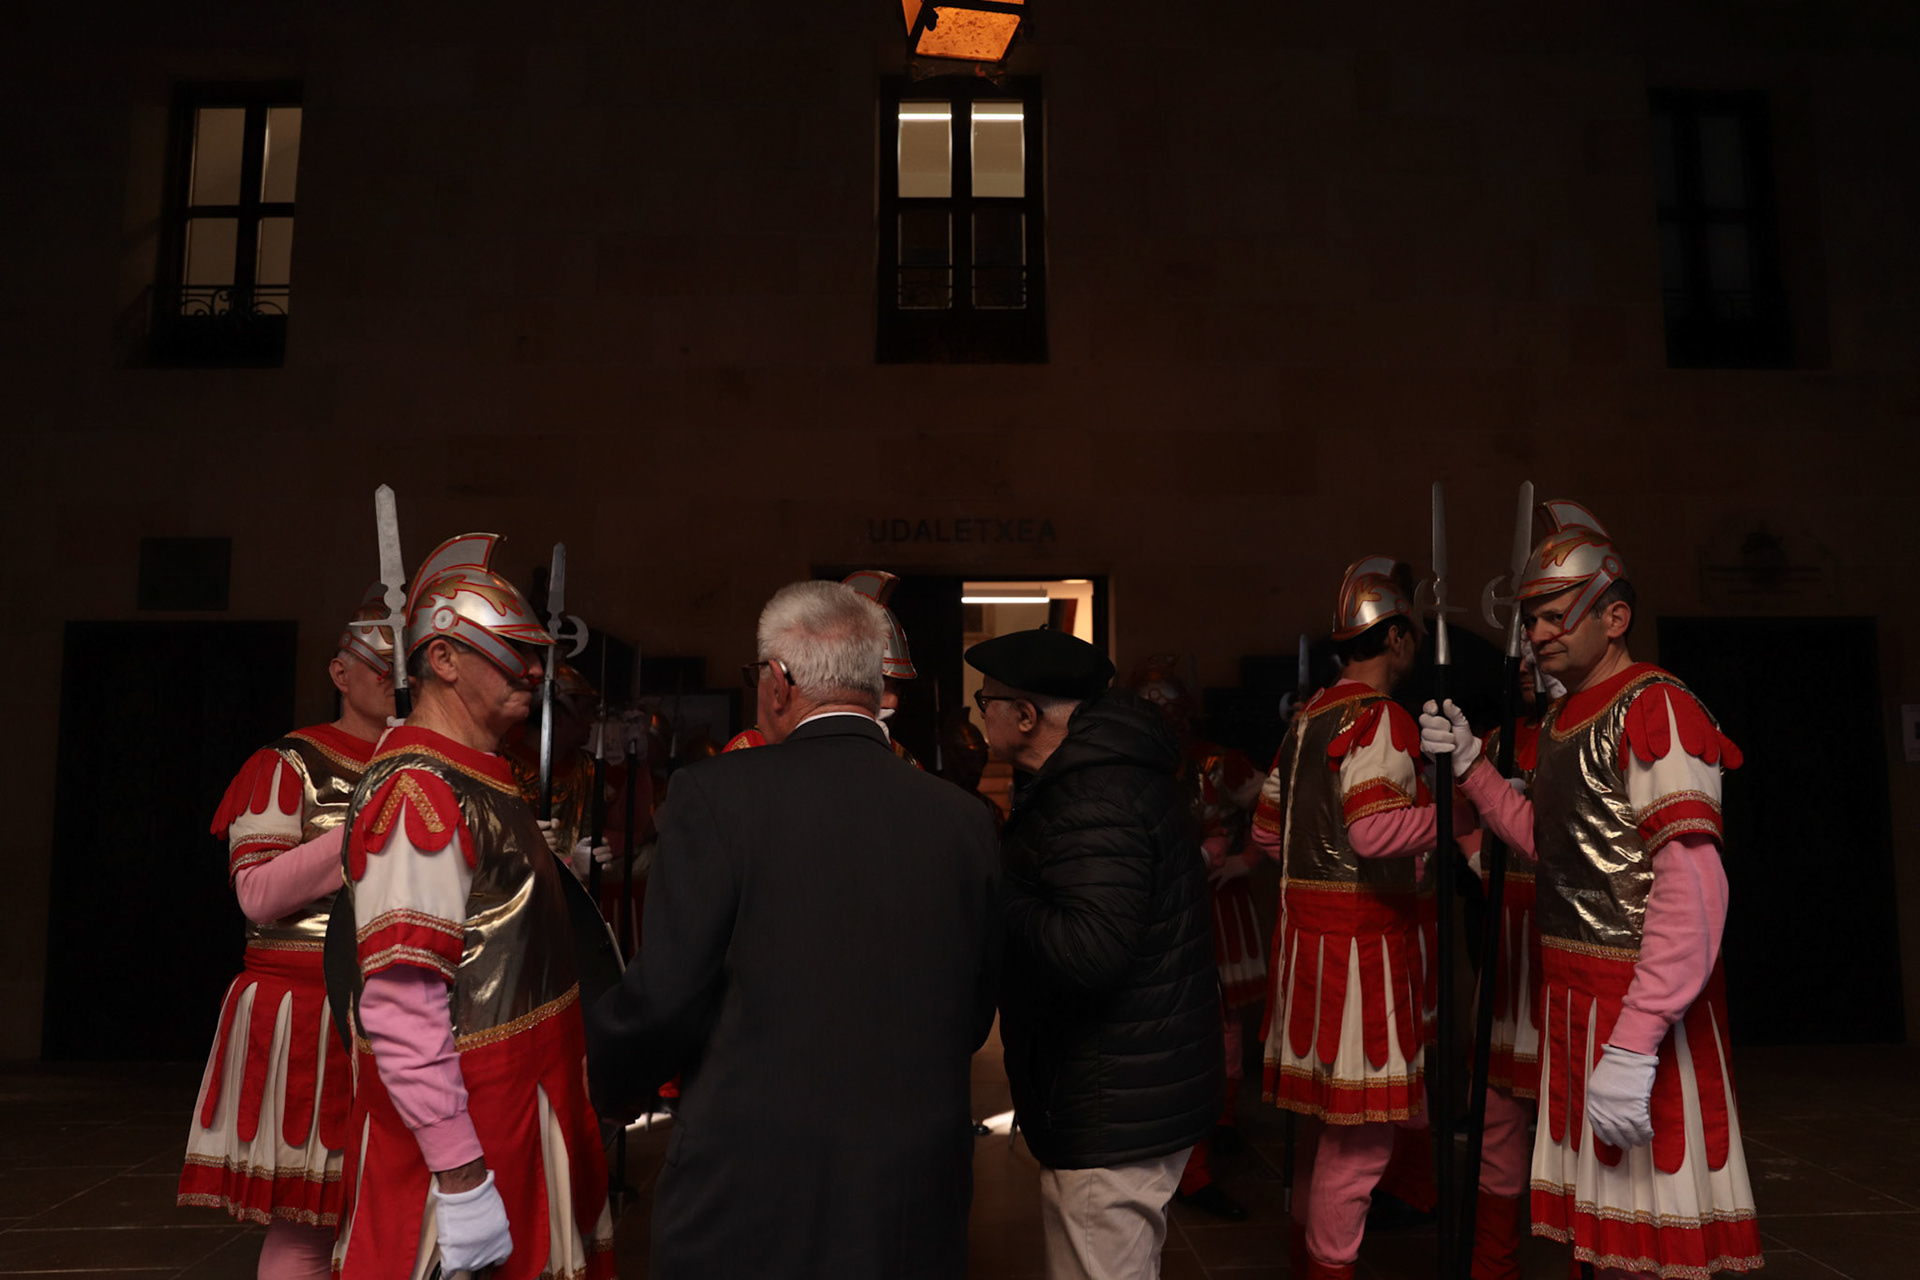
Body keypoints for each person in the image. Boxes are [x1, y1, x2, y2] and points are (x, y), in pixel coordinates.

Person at [588, 580, 1000, 1280]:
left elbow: (666, 993)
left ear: (777, 684)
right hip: (911, 1186)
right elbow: (974, 1008)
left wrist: (608, 1076)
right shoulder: (965, 820)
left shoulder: (716, 795)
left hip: (753, 1183)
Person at [1422, 501, 1762, 1280]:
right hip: (1572, 1000)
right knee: (1605, 1238)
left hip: (1634, 1003)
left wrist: (1638, 1040)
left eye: (1551, 616)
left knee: (1649, 1234)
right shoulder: (1574, 716)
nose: (1535, 634)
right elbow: (1555, 847)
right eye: (1530, 619)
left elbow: (1694, 886)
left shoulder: (1657, 706)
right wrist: (1475, 763)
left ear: (1614, 616)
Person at [332, 532, 613, 1279]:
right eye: (507, 652)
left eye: (529, 651)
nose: (529, 669)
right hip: (481, 1128)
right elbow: (399, 1003)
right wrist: (459, 1180)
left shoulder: (481, 774)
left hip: (527, 1106)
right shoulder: (418, 788)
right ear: (445, 660)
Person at [967, 627, 1221, 1280]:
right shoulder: (1098, 777)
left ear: (1025, 715)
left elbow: (1089, 952)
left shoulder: (1092, 796)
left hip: (1113, 1105)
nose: (978, 715)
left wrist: (994, 891)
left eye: (984, 702)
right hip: (1127, 1091)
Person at [1252, 557, 1461, 1280]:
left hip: (1305, 949)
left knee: (1322, 1139)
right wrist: (1451, 816)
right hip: (1360, 956)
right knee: (1363, 1142)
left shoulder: (1306, 719)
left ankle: (1308, 1263)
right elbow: (1372, 835)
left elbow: (1268, 838)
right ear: (1398, 639)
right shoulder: (1381, 717)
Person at [179, 587, 395, 1280]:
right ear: (341, 673)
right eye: (383, 667)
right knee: (308, 1221)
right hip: (305, 1008)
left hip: (401, 1006)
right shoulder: (287, 763)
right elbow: (259, 894)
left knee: (387, 1210)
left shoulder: (422, 763)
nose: (399, 684)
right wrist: (365, 832)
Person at [1126, 655, 1261, 1223]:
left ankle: (1214, 1136)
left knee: (1220, 1025)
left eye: (1168, 706)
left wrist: (1246, 857)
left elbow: (1277, 808)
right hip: (1156, 915)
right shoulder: (1130, 769)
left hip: (1216, 908)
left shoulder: (1212, 763)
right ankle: (1181, 1161)